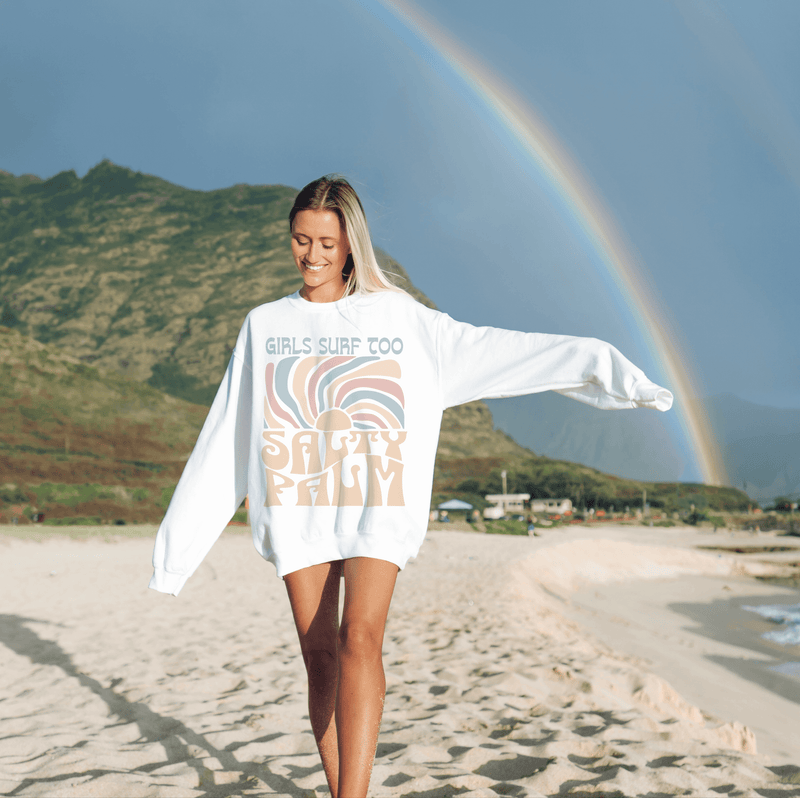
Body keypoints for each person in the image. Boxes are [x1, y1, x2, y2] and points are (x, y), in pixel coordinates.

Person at [149, 174, 673, 797]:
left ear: (351, 246)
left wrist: (602, 365)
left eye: (325, 243)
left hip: (378, 502)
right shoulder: (264, 326)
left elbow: (503, 352)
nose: (311, 256)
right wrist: (175, 554)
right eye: (299, 240)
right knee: (319, 658)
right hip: (298, 502)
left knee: (359, 641)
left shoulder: (404, 321)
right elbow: (226, 435)